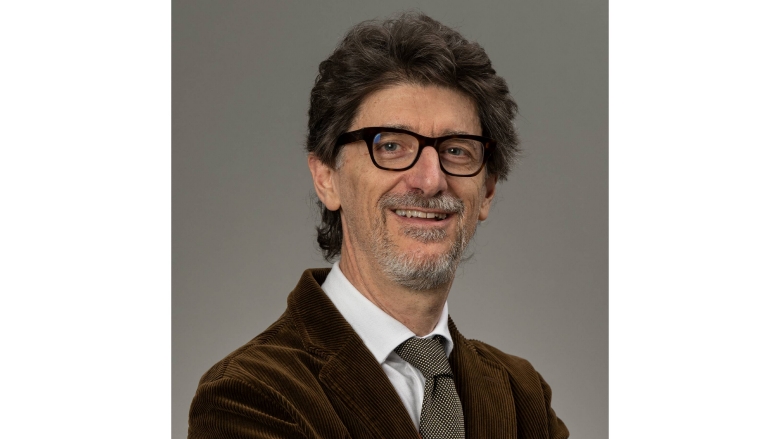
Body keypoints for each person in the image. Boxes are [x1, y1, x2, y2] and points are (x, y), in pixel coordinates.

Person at [188, 12, 568, 439]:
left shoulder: (524, 398)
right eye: (390, 146)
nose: (430, 180)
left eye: (458, 150)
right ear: (326, 178)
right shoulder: (249, 395)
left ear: (488, 191)